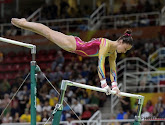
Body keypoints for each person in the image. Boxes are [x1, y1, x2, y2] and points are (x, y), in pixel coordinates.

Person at [11, 18, 133, 96]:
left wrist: (115, 86)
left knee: (48, 33)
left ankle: (24, 23)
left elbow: (113, 69)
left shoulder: (113, 53)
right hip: (74, 44)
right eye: (125, 49)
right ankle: (24, 23)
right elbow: (100, 63)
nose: (124, 52)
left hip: (75, 47)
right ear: (121, 41)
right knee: (48, 33)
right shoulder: (106, 44)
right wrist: (103, 83)